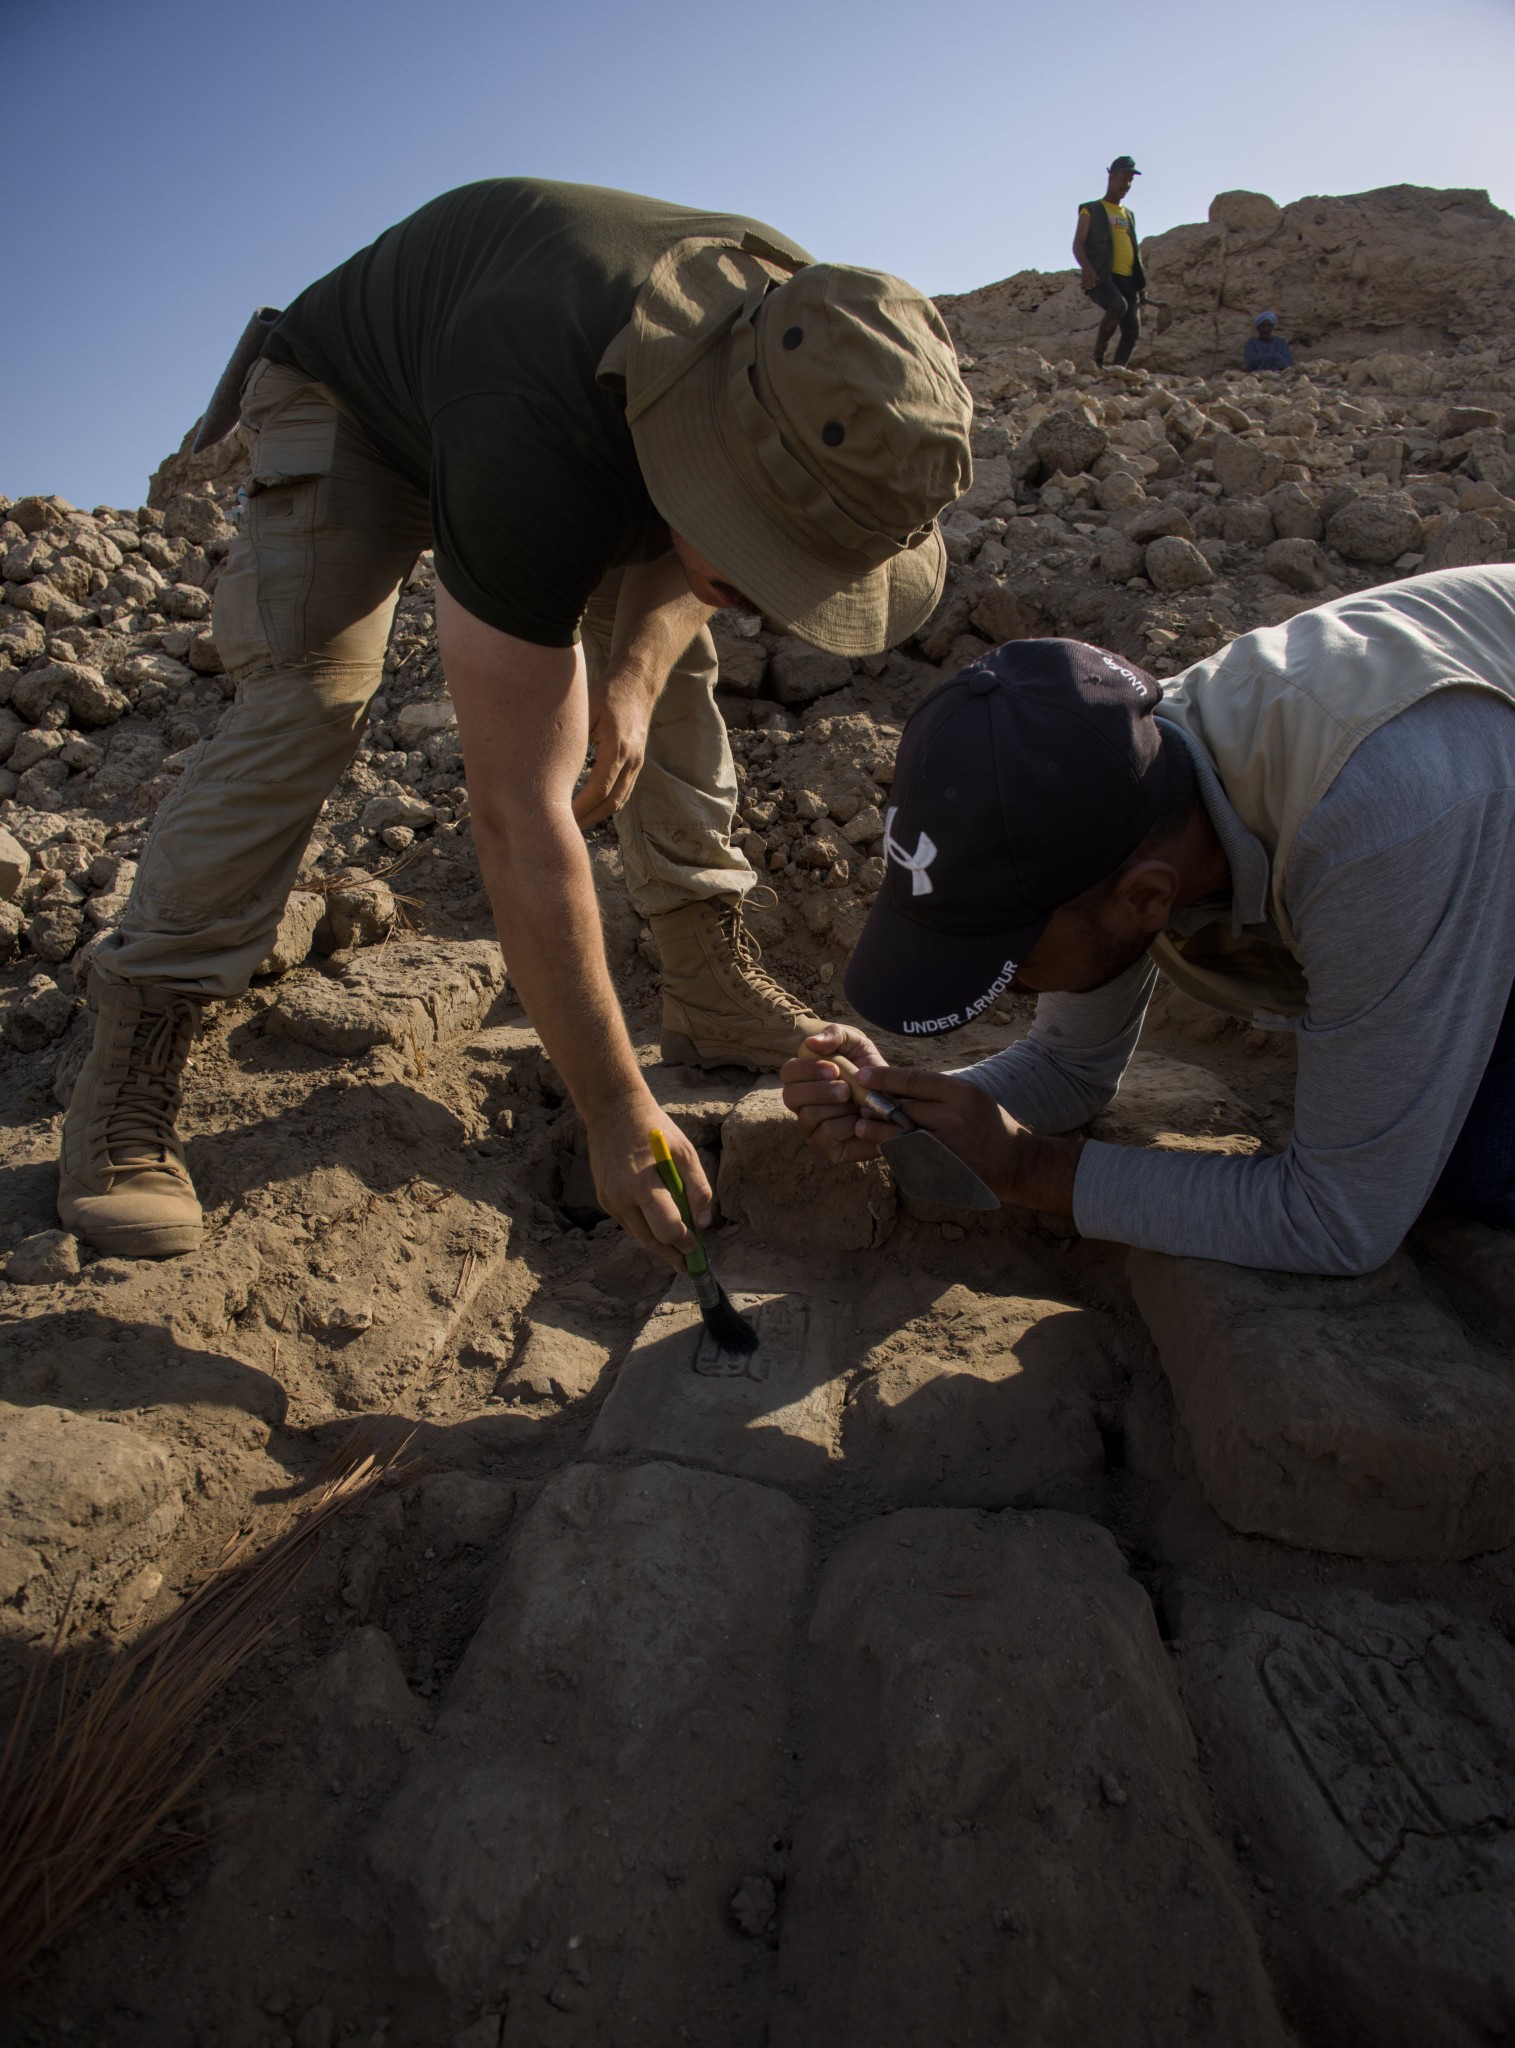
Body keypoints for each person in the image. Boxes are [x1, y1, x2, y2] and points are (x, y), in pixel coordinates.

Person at [60, 178, 972, 1265]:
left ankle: (705, 972)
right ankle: (142, 1029)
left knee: (673, 660)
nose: (782, 594)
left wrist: (629, 679)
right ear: (711, 455)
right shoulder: (531, 426)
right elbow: (516, 812)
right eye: (770, 550)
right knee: (313, 696)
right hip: (360, 403)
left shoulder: (823, 359)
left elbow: (718, 550)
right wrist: (612, 1106)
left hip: (591, 406)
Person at [782, 568, 1515, 1276]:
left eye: (1010, 956)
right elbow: (1069, 1069)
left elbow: (1337, 1221)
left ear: (1147, 899)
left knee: (1476, 1157)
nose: (1003, 987)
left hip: (1460, 792)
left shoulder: (1381, 830)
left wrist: (1025, 1165)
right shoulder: (1113, 777)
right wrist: (905, 1108)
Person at [1073, 158, 1147, 369]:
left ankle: (1117, 371)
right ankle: (1097, 358)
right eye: (1123, 178)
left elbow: (1134, 249)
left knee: (1132, 330)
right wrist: (1086, 267)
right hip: (1103, 276)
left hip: (1128, 279)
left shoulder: (1128, 215)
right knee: (1117, 306)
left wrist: (1141, 287)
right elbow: (1078, 242)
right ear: (1111, 176)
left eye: (1130, 180)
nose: (1126, 184)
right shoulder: (1092, 209)